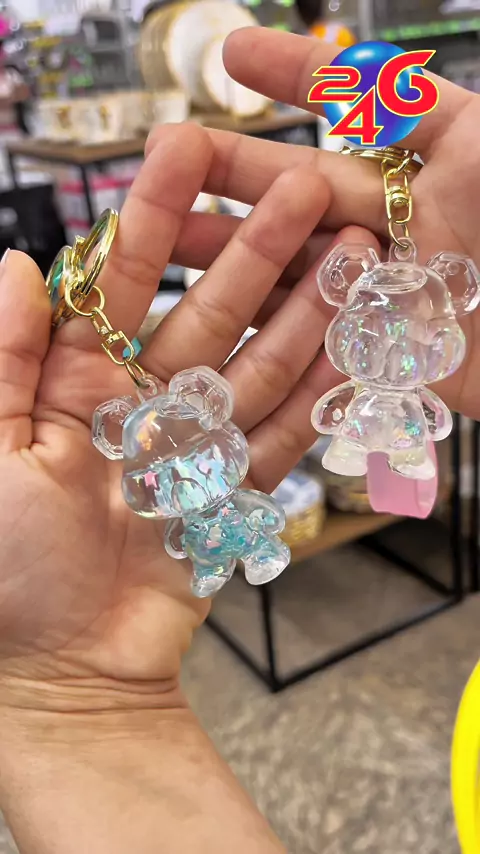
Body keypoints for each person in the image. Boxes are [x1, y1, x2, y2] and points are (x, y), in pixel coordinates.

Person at [0, 25, 478, 854]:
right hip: (225, 515)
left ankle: (361, 476)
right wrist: (65, 695)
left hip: (389, 415)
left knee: (376, 444)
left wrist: (67, 702)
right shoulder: (163, 463)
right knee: (252, 511)